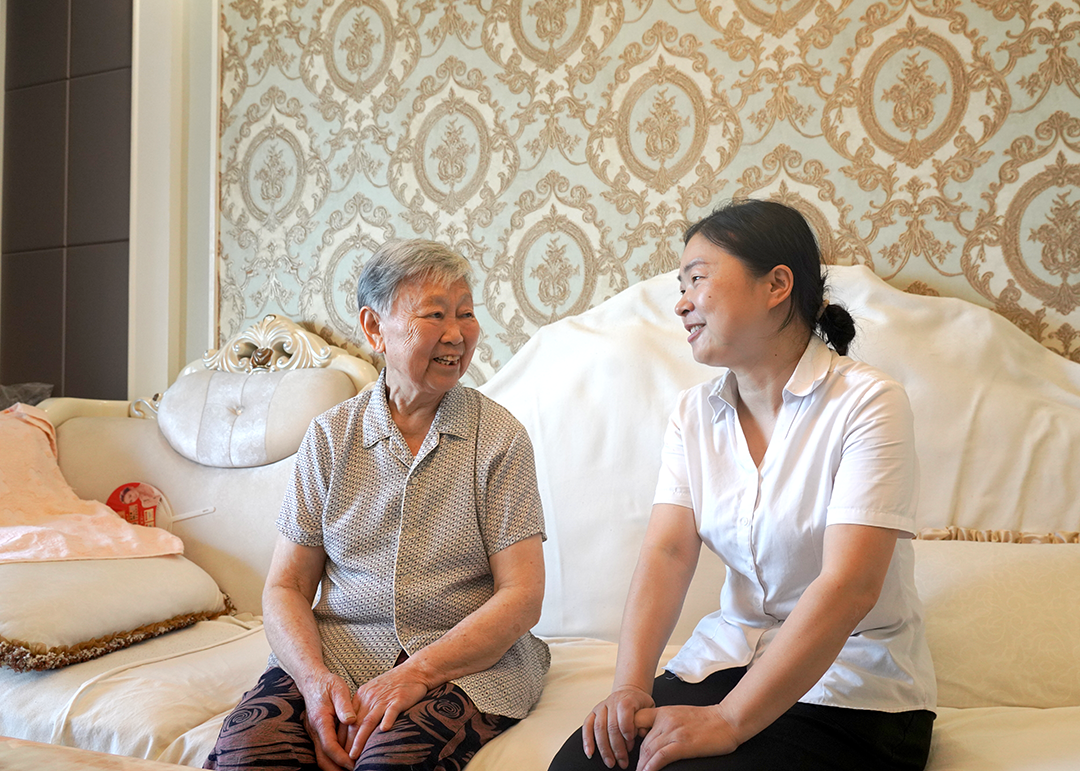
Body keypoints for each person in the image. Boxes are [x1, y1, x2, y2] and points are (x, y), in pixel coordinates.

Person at [549, 200, 936, 771]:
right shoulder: (693, 413)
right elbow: (667, 552)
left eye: (697, 279)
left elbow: (850, 585)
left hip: (852, 687)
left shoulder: (868, 402)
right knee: (581, 766)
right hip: (726, 659)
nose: (682, 303)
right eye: (680, 286)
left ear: (777, 284)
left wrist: (729, 721)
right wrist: (629, 688)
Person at [206, 239, 549, 771]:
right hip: (338, 655)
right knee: (248, 756)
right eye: (435, 314)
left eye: (466, 313)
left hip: (465, 663)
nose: (456, 334)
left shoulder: (499, 438)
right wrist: (315, 682)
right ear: (374, 328)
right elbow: (286, 586)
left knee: (391, 762)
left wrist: (416, 673)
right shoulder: (330, 438)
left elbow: (522, 595)